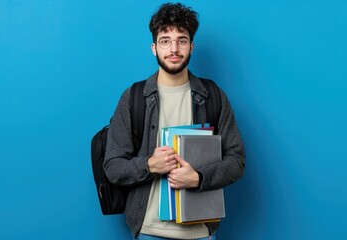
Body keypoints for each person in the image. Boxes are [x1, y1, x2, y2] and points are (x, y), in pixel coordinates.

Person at [104, 3, 245, 240]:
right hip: (149, 231)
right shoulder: (133, 98)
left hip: (200, 232)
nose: (174, 48)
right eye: (165, 40)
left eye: (181, 40)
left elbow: (236, 161)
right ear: (154, 48)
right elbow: (112, 167)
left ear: (191, 46)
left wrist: (199, 178)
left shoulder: (213, 96)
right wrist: (149, 165)